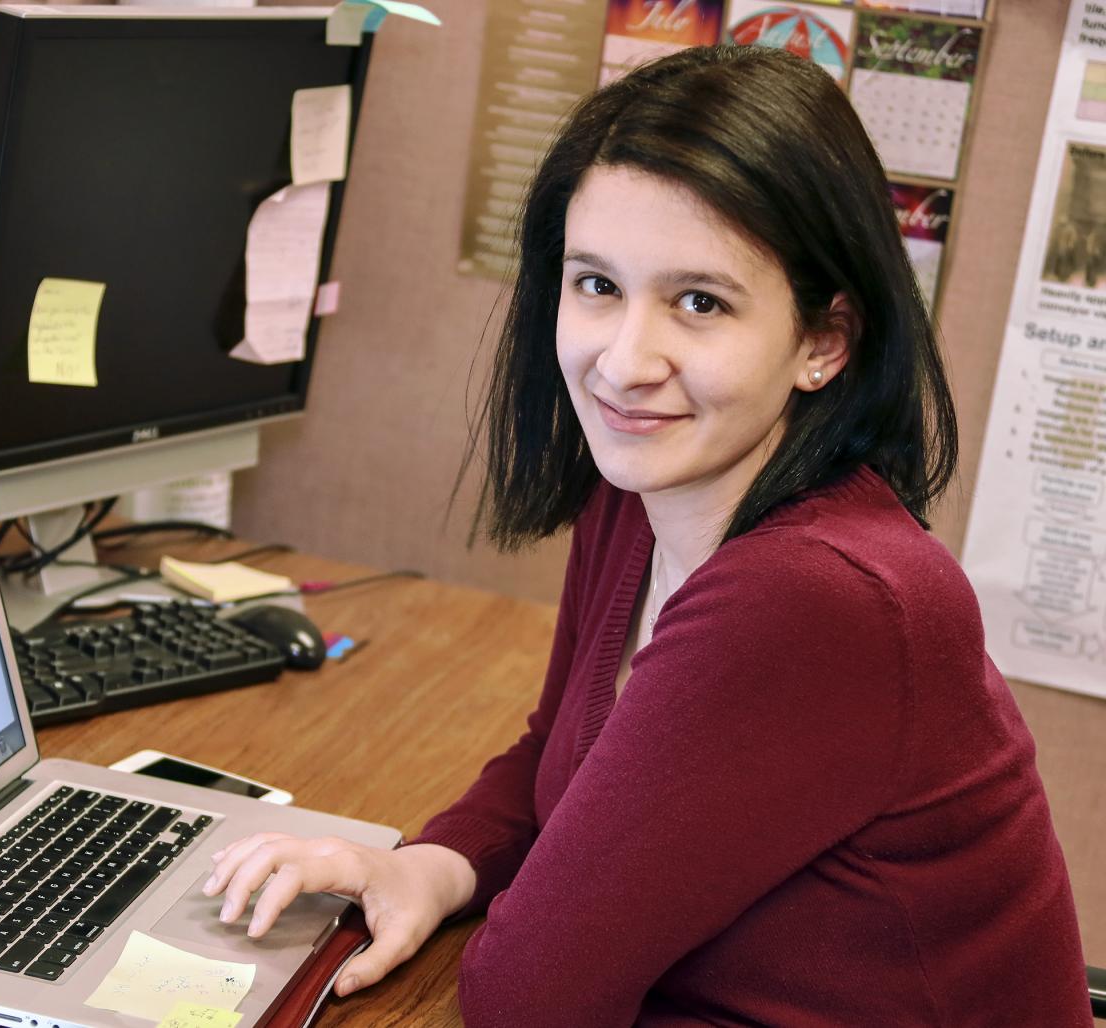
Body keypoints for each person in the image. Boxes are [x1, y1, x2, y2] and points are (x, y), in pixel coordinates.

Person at [203, 45, 1091, 1024]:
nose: (625, 361)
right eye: (596, 285)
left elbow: (528, 995)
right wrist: (430, 866)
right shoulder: (641, 491)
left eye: (698, 302)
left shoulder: (815, 595)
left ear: (823, 340)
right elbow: (559, 761)